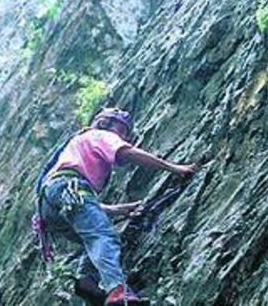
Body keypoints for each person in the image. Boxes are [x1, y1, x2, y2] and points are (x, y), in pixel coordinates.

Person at [38, 107, 198, 305]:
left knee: (93, 237)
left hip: (50, 207)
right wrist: (174, 168)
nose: (125, 136)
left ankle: (87, 281)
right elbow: (128, 152)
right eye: (122, 130)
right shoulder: (100, 135)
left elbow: (84, 206)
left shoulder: (77, 149)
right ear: (106, 123)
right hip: (68, 189)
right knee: (103, 236)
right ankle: (116, 290)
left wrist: (120, 210)